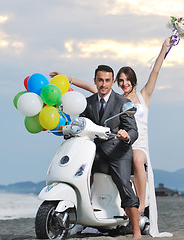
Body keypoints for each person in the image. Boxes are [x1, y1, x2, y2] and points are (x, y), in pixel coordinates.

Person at [50, 37, 173, 238]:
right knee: (82, 168)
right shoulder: (100, 98)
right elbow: (88, 100)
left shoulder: (135, 99)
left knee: (134, 163)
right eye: (121, 80)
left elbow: (155, 73)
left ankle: (138, 213)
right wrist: (67, 79)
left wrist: (165, 47)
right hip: (102, 145)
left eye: (126, 80)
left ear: (132, 81)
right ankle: (83, 210)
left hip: (128, 144)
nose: (123, 84)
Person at [80, 64, 141, 239]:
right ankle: (83, 215)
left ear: (112, 82)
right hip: (94, 150)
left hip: (118, 150)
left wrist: (125, 134)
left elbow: (133, 131)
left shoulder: (123, 103)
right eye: (100, 80)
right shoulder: (88, 102)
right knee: (79, 173)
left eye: (107, 80)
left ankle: (136, 230)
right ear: (95, 81)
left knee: (122, 181)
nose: (103, 84)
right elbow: (81, 123)